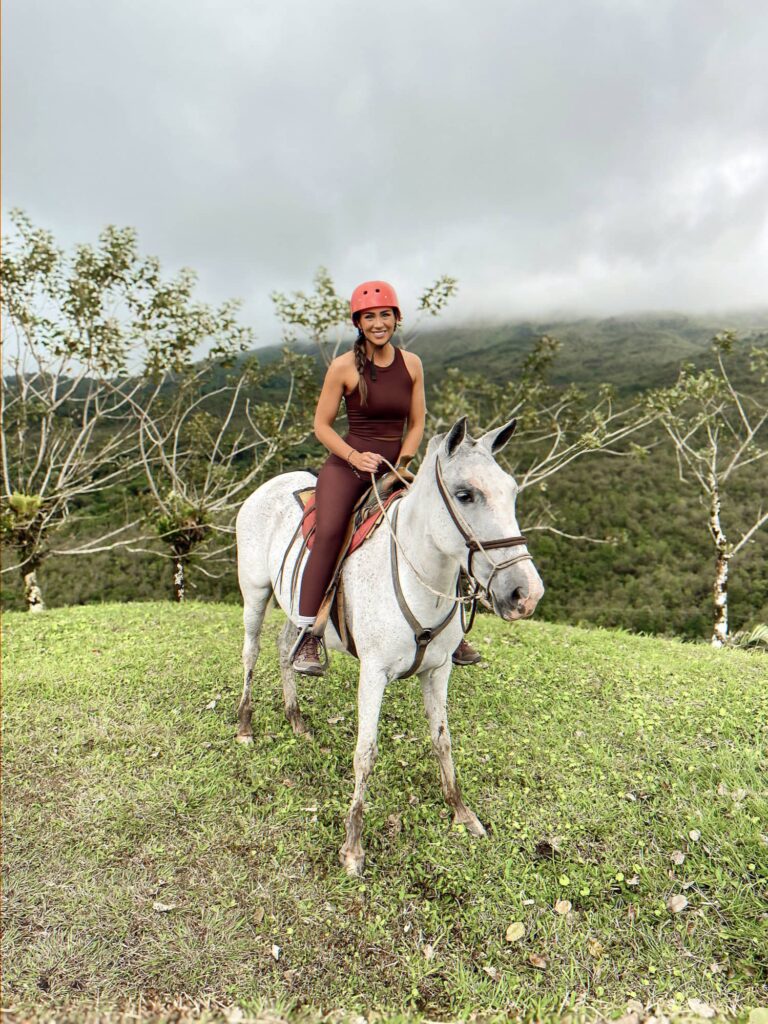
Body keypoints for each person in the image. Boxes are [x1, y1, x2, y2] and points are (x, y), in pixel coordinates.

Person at [291, 280, 482, 674]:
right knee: (329, 532)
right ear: (358, 323)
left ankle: (454, 630)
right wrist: (354, 456)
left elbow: (417, 421)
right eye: (369, 317)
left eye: (385, 315)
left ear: (396, 318)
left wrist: (405, 457)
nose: (378, 323)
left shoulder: (412, 364)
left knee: (446, 523)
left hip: (396, 467)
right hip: (348, 466)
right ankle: (308, 632)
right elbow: (321, 426)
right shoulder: (343, 367)